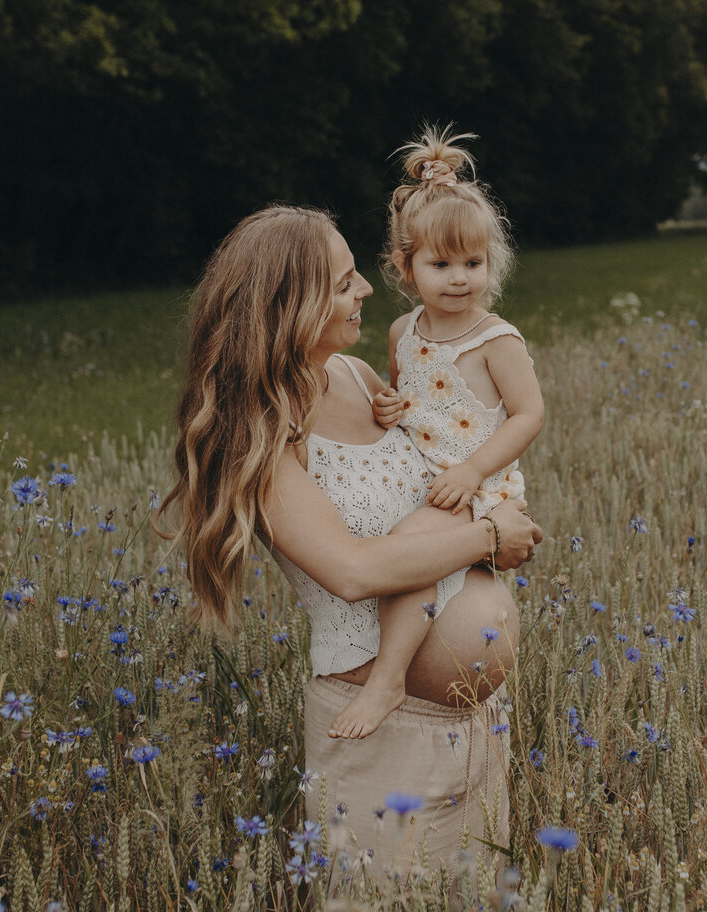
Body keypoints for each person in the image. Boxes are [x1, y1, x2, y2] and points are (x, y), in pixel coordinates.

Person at [162, 205, 541, 876]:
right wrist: (486, 537)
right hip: (380, 740)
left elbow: (438, 471)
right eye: (342, 283)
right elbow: (353, 570)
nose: (366, 289)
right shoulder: (259, 435)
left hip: (476, 730)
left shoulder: (359, 378)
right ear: (291, 304)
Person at [329, 130, 544, 741]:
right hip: (423, 473)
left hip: (476, 483)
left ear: (490, 263)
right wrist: (394, 405)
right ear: (405, 267)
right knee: (397, 541)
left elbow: (528, 415)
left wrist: (473, 473)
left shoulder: (495, 339)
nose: (459, 279)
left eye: (473, 264)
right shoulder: (403, 331)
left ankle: (389, 677)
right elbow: (413, 400)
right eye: (440, 264)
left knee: (414, 548)